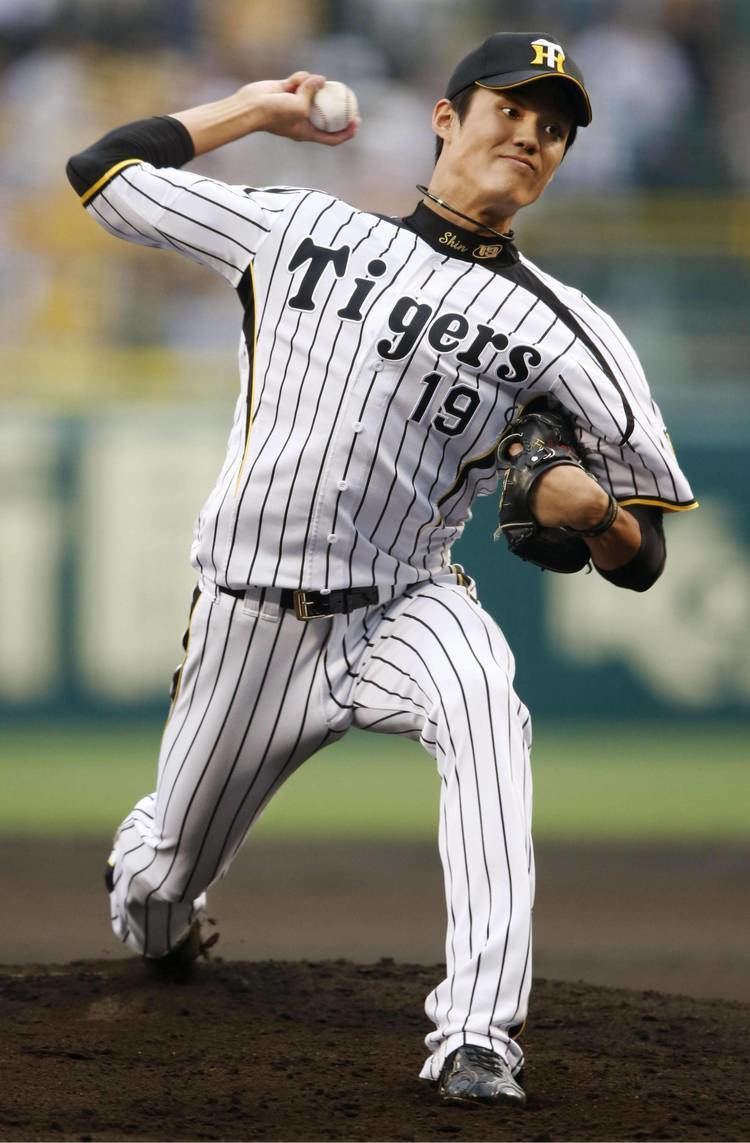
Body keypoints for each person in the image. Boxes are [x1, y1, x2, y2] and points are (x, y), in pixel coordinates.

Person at [66, 32, 696, 1108]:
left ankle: (477, 1038)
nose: (533, 137)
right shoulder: (303, 227)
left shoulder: (569, 332)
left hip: (407, 600)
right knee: (160, 883)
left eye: (555, 131)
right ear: (448, 118)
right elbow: (105, 175)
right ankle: (156, 890)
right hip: (249, 622)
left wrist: (600, 525)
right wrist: (255, 110)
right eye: (513, 110)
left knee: (487, 711)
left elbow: (644, 561)